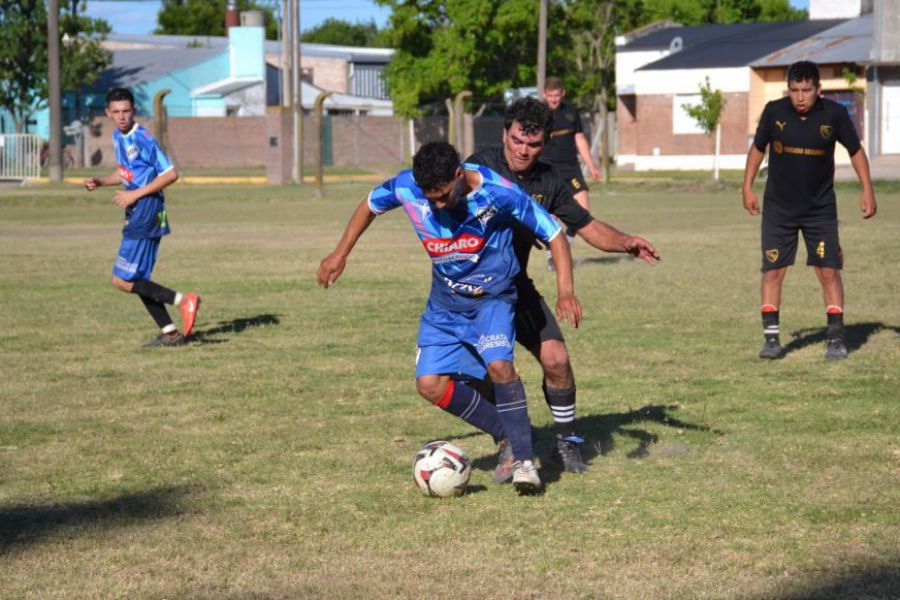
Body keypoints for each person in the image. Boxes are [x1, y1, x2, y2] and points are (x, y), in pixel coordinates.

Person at [317, 141, 582, 494]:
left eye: (443, 196)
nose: (436, 206)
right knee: (430, 384)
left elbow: (553, 233)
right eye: (430, 199)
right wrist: (340, 253)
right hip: (444, 305)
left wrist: (565, 290)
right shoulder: (406, 186)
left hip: (493, 299)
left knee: (499, 366)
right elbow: (369, 205)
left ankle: (524, 461)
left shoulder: (498, 192)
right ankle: (506, 431)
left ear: (459, 175)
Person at [467, 97, 659, 478]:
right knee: (483, 371)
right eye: (518, 140)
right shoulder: (479, 167)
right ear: (505, 133)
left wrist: (626, 242)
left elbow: (586, 226)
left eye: (533, 144)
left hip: (514, 286)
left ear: (545, 143)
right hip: (471, 292)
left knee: (556, 359)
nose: (523, 151)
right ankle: (508, 438)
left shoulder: (549, 181)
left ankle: (566, 442)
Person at [742, 61, 876, 361]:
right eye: (794, 90)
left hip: (820, 209)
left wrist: (867, 189)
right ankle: (772, 340)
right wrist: (747, 186)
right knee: (773, 271)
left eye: (806, 90)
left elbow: (856, 151)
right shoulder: (774, 112)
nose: (800, 97)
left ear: (819, 89)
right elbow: (757, 149)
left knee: (828, 271)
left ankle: (836, 340)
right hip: (779, 209)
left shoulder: (835, 115)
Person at [84, 87, 200, 347]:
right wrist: (100, 181)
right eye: (116, 112)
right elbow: (127, 174)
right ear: (108, 113)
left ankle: (183, 300)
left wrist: (135, 195)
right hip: (138, 209)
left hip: (146, 210)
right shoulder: (118, 136)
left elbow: (170, 174)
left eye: (126, 111)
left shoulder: (144, 139)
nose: (122, 116)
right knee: (136, 278)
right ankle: (170, 333)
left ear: (134, 111)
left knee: (122, 279)